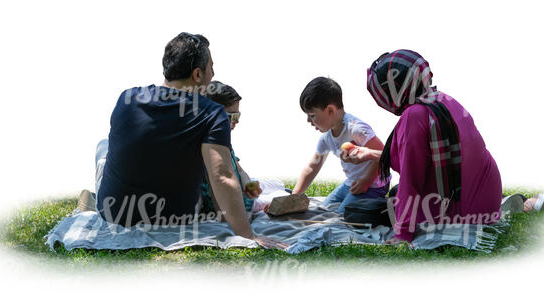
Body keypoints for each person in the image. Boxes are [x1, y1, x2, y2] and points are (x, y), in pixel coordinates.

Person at [95, 32, 286, 249]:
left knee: (104, 146)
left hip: (114, 213)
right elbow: (222, 175)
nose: (213, 73)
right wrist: (247, 235)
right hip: (177, 217)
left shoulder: (126, 98)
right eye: (211, 67)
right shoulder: (212, 114)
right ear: (197, 74)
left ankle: (96, 194)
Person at [345, 49, 503, 244]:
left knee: (359, 212)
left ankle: (407, 220)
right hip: (488, 198)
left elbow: (411, 180)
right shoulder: (441, 99)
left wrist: (402, 234)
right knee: (395, 195)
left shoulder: (414, 117)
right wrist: (370, 154)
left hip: (462, 213)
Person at [292, 77, 389, 213]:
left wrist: (367, 180)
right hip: (350, 184)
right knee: (323, 210)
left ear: (330, 110)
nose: (309, 121)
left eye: (312, 115)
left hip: (374, 185)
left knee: (343, 216)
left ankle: (383, 203)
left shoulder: (356, 129)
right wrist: (293, 197)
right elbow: (312, 167)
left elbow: (384, 155)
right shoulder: (327, 138)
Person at [201, 81, 290, 214]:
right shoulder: (210, 144)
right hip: (236, 202)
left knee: (278, 183)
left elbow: (239, 169)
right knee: (282, 194)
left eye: (238, 116)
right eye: (231, 116)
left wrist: (248, 184)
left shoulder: (221, 138)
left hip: (239, 190)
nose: (236, 122)